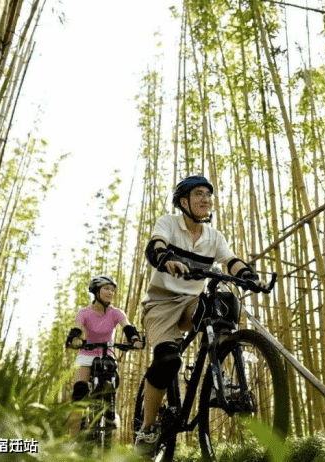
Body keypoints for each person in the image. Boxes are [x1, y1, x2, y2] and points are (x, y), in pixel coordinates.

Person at [134, 175, 267, 455]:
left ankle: (221, 380)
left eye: (208, 194)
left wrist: (249, 276)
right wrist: (166, 259)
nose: (206, 199)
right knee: (168, 360)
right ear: (184, 201)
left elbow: (230, 261)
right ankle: (147, 429)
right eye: (198, 194)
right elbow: (156, 244)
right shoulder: (169, 223)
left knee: (225, 301)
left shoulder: (214, 236)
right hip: (162, 303)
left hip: (193, 301)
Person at [64, 274, 143, 436]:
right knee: (79, 392)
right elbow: (77, 329)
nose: (110, 292)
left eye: (112, 290)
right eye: (106, 288)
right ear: (96, 291)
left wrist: (134, 339)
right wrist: (75, 339)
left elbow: (127, 327)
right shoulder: (84, 313)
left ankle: (109, 419)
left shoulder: (116, 313)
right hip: (86, 354)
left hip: (107, 355)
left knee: (109, 386)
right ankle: (72, 438)